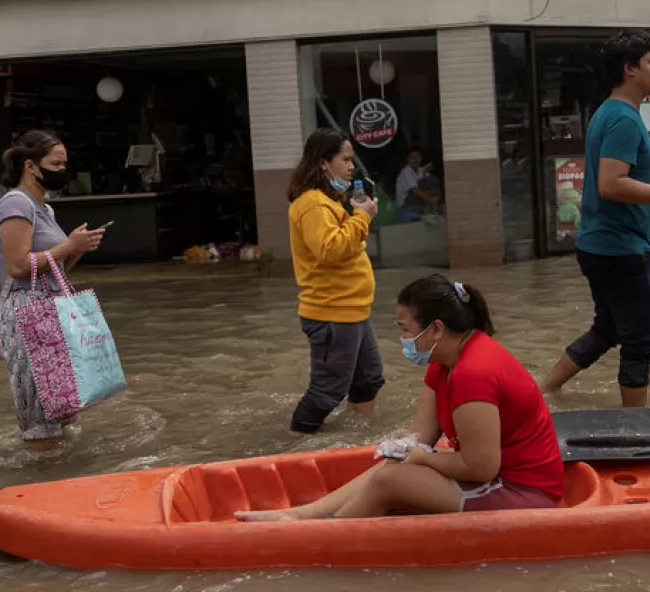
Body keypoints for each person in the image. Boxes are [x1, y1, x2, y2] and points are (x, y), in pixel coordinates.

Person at [237, 275, 565, 521]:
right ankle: (302, 516)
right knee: (394, 464)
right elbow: (419, 440)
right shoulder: (445, 364)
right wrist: (408, 452)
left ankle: (318, 536)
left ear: (436, 329)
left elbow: (480, 468)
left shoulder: (473, 373)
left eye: (406, 329)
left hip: (525, 493)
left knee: (391, 480)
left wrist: (422, 459)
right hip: (496, 480)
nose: (403, 339)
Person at [540, 30, 650, 408]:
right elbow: (611, 184)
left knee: (608, 329)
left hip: (607, 242)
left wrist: (645, 228)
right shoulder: (623, 120)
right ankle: (637, 424)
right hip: (616, 250)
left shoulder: (613, 112)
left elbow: (612, 187)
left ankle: (545, 392)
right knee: (640, 340)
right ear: (629, 69)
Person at [0, 130, 104, 451]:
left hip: (52, 312)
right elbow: (17, 267)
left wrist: (77, 249)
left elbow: (53, 272)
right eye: (56, 163)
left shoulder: (46, 209)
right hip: (27, 317)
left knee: (64, 408)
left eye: (65, 164)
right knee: (42, 417)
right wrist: (67, 244)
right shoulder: (15, 204)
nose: (62, 171)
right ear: (31, 166)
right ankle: (40, 481)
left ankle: (63, 476)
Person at [285, 128, 384, 435]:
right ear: (323, 163)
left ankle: (357, 437)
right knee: (326, 392)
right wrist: (363, 217)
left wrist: (359, 214)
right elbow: (330, 250)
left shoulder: (328, 200)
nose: (351, 167)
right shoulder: (313, 204)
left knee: (368, 379)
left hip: (351, 309)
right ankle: (292, 450)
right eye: (346, 159)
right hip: (333, 312)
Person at [395, 147, 437, 216]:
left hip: (417, 201)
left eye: (418, 156)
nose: (415, 160)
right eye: (412, 157)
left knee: (432, 181)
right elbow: (416, 191)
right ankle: (429, 212)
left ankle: (429, 211)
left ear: (421, 158)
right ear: (407, 159)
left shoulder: (421, 170)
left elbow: (433, 188)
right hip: (404, 205)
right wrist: (432, 203)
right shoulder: (406, 171)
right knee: (422, 192)